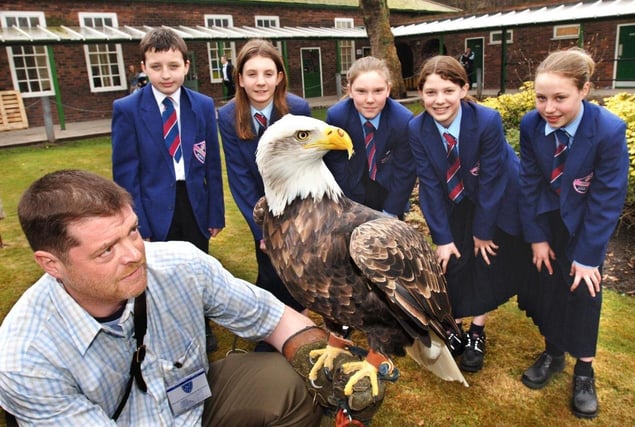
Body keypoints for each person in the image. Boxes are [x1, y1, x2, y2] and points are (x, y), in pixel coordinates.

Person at [0, 169, 384, 425]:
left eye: (132, 231)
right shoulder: (25, 361)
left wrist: (331, 367)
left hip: (191, 408)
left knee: (293, 377)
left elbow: (275, 318)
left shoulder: (180, 264)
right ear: (51, 263)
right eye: (106, 250)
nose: (135, 254)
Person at [518, 48, 629, 419]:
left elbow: (607, 198)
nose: (548, 108)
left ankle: (584, 370)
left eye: (560, 97)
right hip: (547, 222)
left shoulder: (609, 130)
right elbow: (530, 183)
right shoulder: (531, 126)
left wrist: (586, 257)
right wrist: (536, 236)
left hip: (586, 226)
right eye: (541, 98)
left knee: (584, 291)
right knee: (549, 287)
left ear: (584, 90)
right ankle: (553, 353)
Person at [408, 55, 525, 373]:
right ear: (421, 94)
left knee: (484, 257)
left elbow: (491, 182)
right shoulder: (417, 128)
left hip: (496, 196)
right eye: (430, 92)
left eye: (448, 90)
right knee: (453, 261)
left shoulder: (486, 120)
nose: (439, 100)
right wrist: (442, 238)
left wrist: (483, 232)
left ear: (464, 88)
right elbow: (429, 185)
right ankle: (454, 325)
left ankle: (477, 331)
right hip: (454, 195)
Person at [112, 28, 225, 352]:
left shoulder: (202, 105)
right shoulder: (128, 109)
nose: (166, 74)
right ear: (143, 67)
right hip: (152, 206)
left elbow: (212, 166)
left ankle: (200, 326)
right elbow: (126, 174)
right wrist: (137, 223)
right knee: (156, 274)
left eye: (173, 66)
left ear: (186, 66)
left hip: (194, 204)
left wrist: (214, 212)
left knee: (196, 268)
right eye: (157, 66)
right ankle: (160, 332)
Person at [218, 39, 310, 334]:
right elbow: (240, 178)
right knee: (270, 265)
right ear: (240, 79)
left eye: (268, 74)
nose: (261, 82)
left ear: (279, 77)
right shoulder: (227, 116)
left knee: (298, 267)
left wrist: (295, 219)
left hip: (294, 201)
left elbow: (303, 167)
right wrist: (265, 230)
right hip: (259, 206)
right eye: (252, 74)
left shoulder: (297, 109)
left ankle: (298, 324)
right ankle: (273, 327)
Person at [324, 56, 416, 219]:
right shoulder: (337, 117)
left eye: (378, 91)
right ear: (350, 90)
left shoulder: (402, 120)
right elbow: (336, 167)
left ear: (388, 89)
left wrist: (390, 212)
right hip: (351, 190)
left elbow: (405, 171)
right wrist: (347, 209)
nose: (370, 100)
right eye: (361, 91)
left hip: (389, 192)